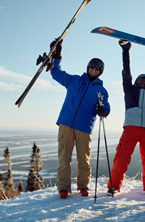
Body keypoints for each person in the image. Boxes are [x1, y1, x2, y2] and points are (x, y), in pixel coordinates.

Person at [49, 39, 110, 199]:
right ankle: (63, 187)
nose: (93, 69)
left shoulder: (101, 90)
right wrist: (57, 56)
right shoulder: (74, 80)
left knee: (84, 158)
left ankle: (83, 185)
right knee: (64, 157)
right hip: (66, 123)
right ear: (88, 67)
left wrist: (104, 110)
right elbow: (56, 73)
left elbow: (106, 106)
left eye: (97, 68)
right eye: (91, 66)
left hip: (85, 127)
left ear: (100, 71)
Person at [107, 40, 145, 196]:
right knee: (122, 157)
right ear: (136, 81)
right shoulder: (129, 91)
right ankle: (113, 186)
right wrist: (126, 50)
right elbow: (126, 71)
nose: (143, 81)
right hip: (130, 128)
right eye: (141, 79)